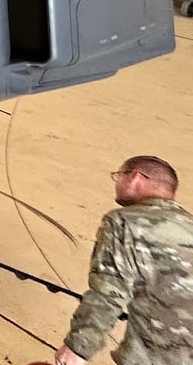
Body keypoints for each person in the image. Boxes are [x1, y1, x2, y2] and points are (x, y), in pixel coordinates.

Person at [55, 155, 193, 364]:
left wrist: (78, 348)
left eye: (119, 176)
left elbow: (109, 292)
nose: (117, 183)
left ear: (135, 178)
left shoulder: (126, 222)